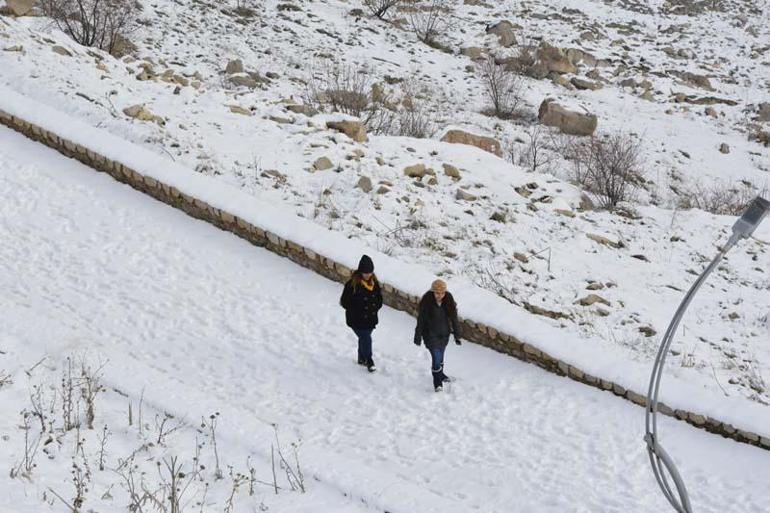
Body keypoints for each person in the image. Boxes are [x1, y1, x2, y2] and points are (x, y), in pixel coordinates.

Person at [413, 279, 461, 392]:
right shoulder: (427, 302)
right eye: (437, 293)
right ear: (433, 292)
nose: (440, 296)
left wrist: (457, 335)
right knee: (436, 358)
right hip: (430, 335)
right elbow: (421, 321)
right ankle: (437, 382)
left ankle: (441, 374)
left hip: (444, 335)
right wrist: (418, 336)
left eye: (442, 293)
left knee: (441, 357)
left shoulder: (448, 300)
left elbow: (454, 319)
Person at [340, 255, 383, 373]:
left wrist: (376, 307)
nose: (368, 275)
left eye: (369, 272)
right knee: (366, 338)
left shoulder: (375, 283)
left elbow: (379, 299)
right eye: (365, 273)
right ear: (360, 272)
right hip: (356, 320)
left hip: (370, 318)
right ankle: (369, 360)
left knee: (364, 338)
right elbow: (344, 302)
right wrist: (356, 307)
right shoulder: (352, 284)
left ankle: (361, 358)